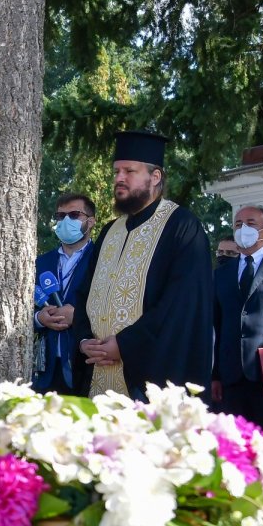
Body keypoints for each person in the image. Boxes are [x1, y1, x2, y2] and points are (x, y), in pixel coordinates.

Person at [73, 130, 213, 400]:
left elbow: (181, 306)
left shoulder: (181, 227)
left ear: (155, 176)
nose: (119, 179)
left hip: (148, 379)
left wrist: (124, 345)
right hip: (97, 374)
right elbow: (84, 293)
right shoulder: (110, 231)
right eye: (116, 172)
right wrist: (83, 341)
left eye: (129, 171)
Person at [212, 205, 263, 434]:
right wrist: (215, 375)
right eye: (238, 224)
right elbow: (215, 324)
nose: (243, 229)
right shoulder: (221, 273)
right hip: (230, 375)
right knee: (234, 442)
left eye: (251, 224)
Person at [32, 193, 97, 394]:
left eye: (74, 214)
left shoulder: (102, 260)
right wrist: (39, 318)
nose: (65, 221)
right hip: (45, 370)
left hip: (84, 368)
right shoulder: (39, 263)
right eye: (60, 216)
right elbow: (21, 308)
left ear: (91, 221)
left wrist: (77, 316)